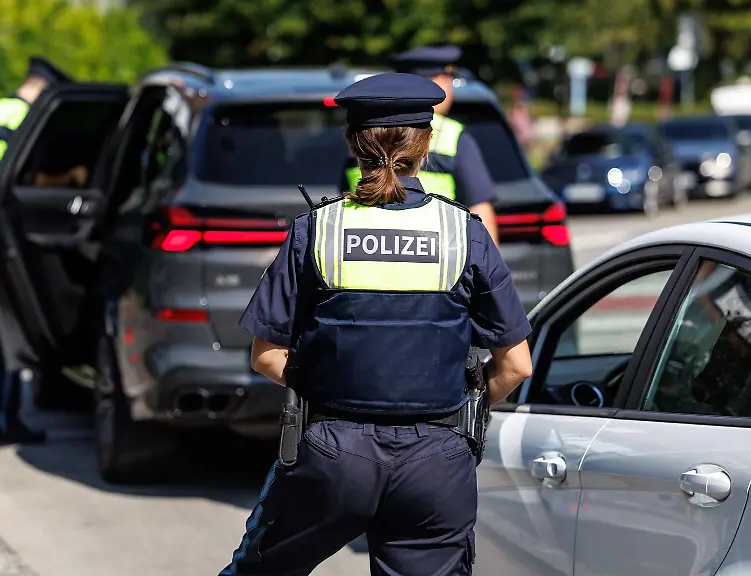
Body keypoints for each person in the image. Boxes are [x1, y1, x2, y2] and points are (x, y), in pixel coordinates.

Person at [221, 72, 533, 576]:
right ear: (426, 144)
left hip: (332, 453)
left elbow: (266, 355)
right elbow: (515, 364)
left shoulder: (316, 230)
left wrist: (331, 386)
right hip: (437, 461)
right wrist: (462, 405)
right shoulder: (464, 234)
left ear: (352, 144)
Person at [0, 56, 76, 444]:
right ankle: (0, 418)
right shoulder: (20, 118)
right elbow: (17, 181)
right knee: (5, 334)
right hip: (3, 234)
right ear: (44, 89)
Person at [339, 45, 500, 244]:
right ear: (441, 81)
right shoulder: (454, 134)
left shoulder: (364, 128)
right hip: (441, 249)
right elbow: (480, 209)